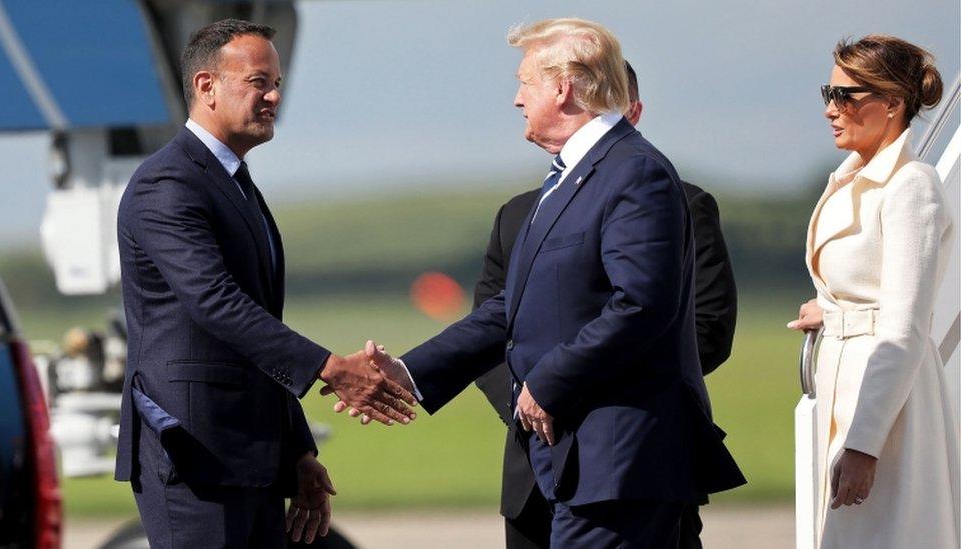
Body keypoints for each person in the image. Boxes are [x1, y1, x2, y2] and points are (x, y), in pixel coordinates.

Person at [336, 18, 745, 547]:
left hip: (621, 464)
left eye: (524, 82)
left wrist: (549, 381)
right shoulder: (566, 180)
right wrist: (409, 372)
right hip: (576, 465)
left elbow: (642, 305)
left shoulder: (634, 171)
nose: (516, 99)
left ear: (563, 87)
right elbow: (511, 306)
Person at [114, 19, 416, 548]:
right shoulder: (168, 183)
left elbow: (256, 330)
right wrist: (332, 369)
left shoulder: (233, 182)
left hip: (249, 457)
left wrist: (297, 452)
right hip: (194, 455)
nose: (275, 95)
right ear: (206, 86)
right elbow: (217, 305)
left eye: (276, 83)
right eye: (259, 82)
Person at [472, 60, 738, 549]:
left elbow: (704, 328)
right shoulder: (516, 216)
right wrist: (528, 402)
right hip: (531, 465)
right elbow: (494, 327)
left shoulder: (682, 201)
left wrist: (567, 385)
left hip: (628, 454)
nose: (515, 101)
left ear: (631, 113)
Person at [787, 35, 959, 549]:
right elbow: (867, 282)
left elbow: (904, 324)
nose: (829, 109)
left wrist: (866, 444)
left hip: (887, 404)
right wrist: (833, 309)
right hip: (845, 378)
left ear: (892, 104)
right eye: (828, 92)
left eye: (845, 95)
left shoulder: (911, 185)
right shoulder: (848, 179)